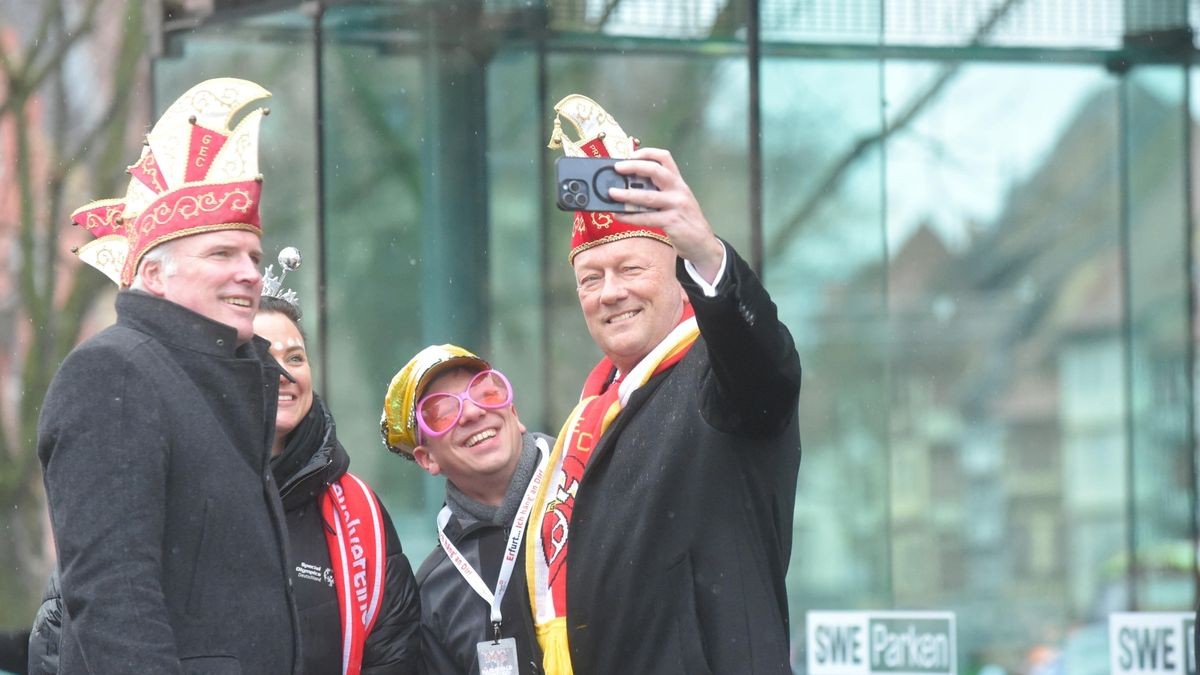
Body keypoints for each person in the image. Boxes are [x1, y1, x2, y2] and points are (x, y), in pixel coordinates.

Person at [525, 94, 803, 674]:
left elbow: (766, 368)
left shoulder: (717, 377)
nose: (610, 292)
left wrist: (702, 247)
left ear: (679, 279)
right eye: (590, 278)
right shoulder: (588, 416)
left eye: (631, 270)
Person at [37, 78, 299, 673]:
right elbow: (114, 599)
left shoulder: (213, 380)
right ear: (153, 276)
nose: (250, 274)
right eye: (221, 255)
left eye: (254, 257)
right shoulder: (112, 374)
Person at [255, 286, 422, 674]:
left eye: (295, 357)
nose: (284, 373)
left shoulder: (358, 509)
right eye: (262, 357)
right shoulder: (190, 491)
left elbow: (394, 654)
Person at [381, 344, 550, 674]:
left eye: (485, 392)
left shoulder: (589, 485)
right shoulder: (436, 590)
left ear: (514, 414)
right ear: (427, 459)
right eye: (442, 412)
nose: (472, 413)